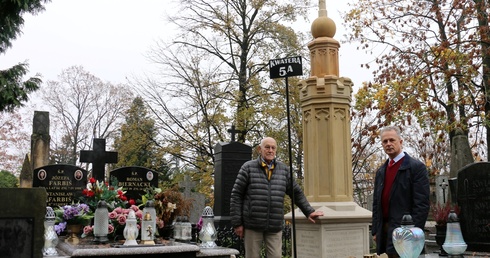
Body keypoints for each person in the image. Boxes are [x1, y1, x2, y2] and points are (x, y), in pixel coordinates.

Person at [230, 137, 324, 258]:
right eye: (267, 147)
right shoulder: (248, 168)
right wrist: (237, 223)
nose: (270, 150)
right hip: (252, 224)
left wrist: (309, 212)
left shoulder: (284, 170)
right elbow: (236, 195)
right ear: (260, 149)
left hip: (274, 225)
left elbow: (296, 192)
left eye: (273, 148)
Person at [372, 126, 430, 257]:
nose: (388, 144)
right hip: (385, 230)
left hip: (406, 230)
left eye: (392, 140)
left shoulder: (415, 168)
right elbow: (376, 204)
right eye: (384, 141)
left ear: (400, 141)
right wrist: (376, 230)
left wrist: (413, 233)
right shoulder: (381, 171)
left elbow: (422, 204)